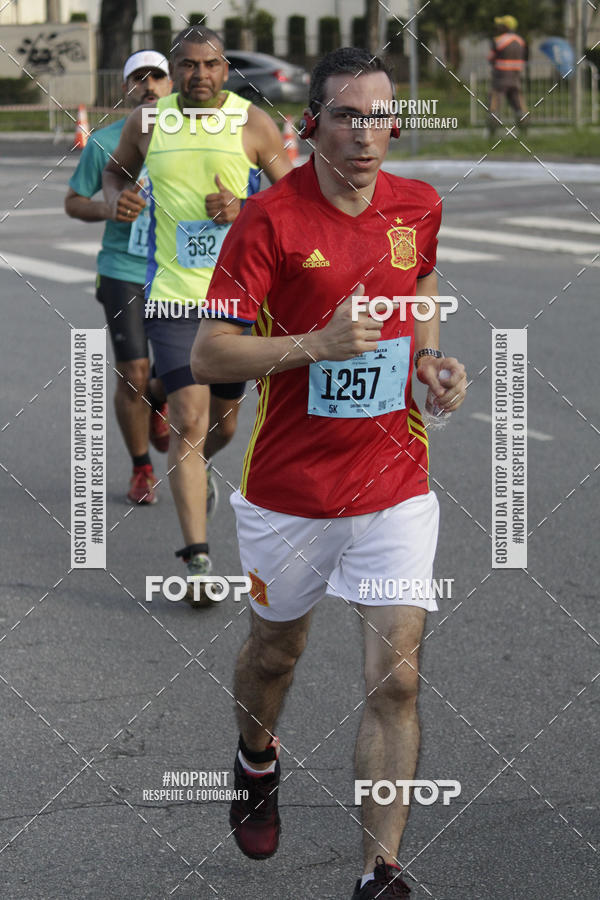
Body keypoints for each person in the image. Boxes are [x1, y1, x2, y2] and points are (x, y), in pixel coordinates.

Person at [191, 48, 467, 897]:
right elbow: (209, 352)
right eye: (346, 115)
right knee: (276, 656)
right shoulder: (270, 220)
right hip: (291, 491)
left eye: (381, 115)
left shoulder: (418, 205)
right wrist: (315, 345)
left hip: (394, 480)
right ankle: (255, 756)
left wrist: (430, 362)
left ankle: (378, 873)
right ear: (312, 124)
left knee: (399, 676)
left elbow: (417, 283)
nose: (367, 134)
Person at [103, 26, 292, 604]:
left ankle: (196, 466)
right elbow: (115, 173)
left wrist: (245, 209)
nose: (199, 76)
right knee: (188, 419)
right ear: (174, 69)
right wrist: (120, 197)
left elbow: (297, 201)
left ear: (225, 68)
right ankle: (198, 562)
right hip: (176, 296)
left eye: (210, 65)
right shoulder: (148, 122)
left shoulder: (252, 123)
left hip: (238, 300)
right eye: (187, 65)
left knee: (223, 423)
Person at [65, 50, 172, 505]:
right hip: (122, 269)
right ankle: (141, 468)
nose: (148, 85)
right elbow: (74, 201)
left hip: (179, 270)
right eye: (137, 78)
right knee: (132, 372)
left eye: (157, 76)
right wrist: (108, 207)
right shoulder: (106, 141)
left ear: (172, 84)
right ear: (125, 88)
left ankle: (159, 397)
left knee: (178, 370)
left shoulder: (193, 137)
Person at [488, 14, 528, 135]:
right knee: (517, 101)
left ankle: (492, 130)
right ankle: (524, 128)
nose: (498, 27)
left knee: (495, 102)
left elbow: (491, 58)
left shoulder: (499, 40)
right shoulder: (521, 41)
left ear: (505, 27)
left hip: (501, 76)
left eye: (500, 25)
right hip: (515, 76)